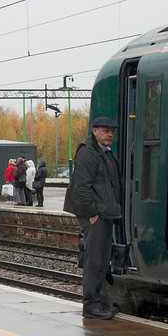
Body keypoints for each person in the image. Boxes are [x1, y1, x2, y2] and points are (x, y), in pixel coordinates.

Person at [63, 116, 123, 320]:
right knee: (95, 259)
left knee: (101, 258)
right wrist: (93, 213)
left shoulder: (104, 153)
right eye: (106, 131)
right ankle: (91, 304)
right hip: (95, 216)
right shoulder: (88, 153)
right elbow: (82, 187)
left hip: (104, 214)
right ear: (95, 131)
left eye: (112, 131)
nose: (110, 135)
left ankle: (96, 301)